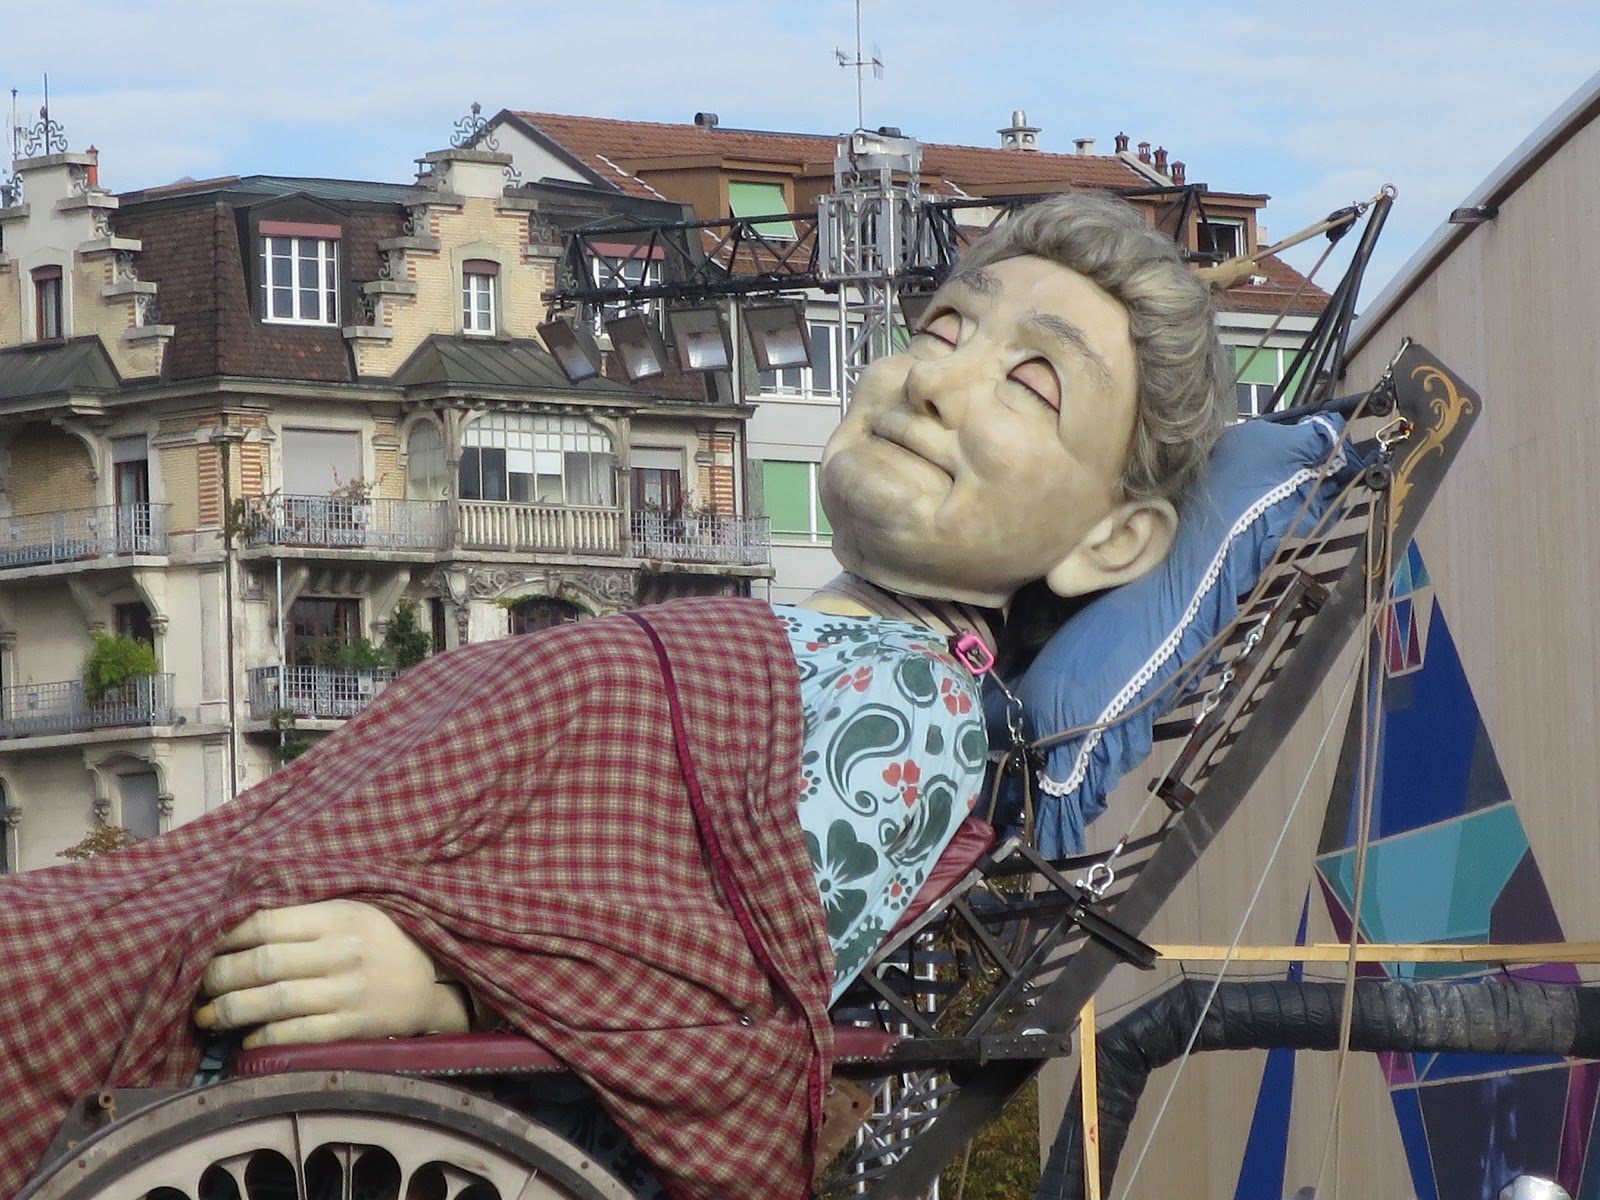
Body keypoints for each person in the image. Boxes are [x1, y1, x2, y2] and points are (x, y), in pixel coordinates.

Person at [0, 192, 1228, 1200]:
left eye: (1032, 385)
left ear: (1116, 544)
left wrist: (446, 983)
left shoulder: (914, 716)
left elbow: (738, 966)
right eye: (947, 328)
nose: (936, 381)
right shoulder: (785, 633)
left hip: (264, 950)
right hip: (236, 877)